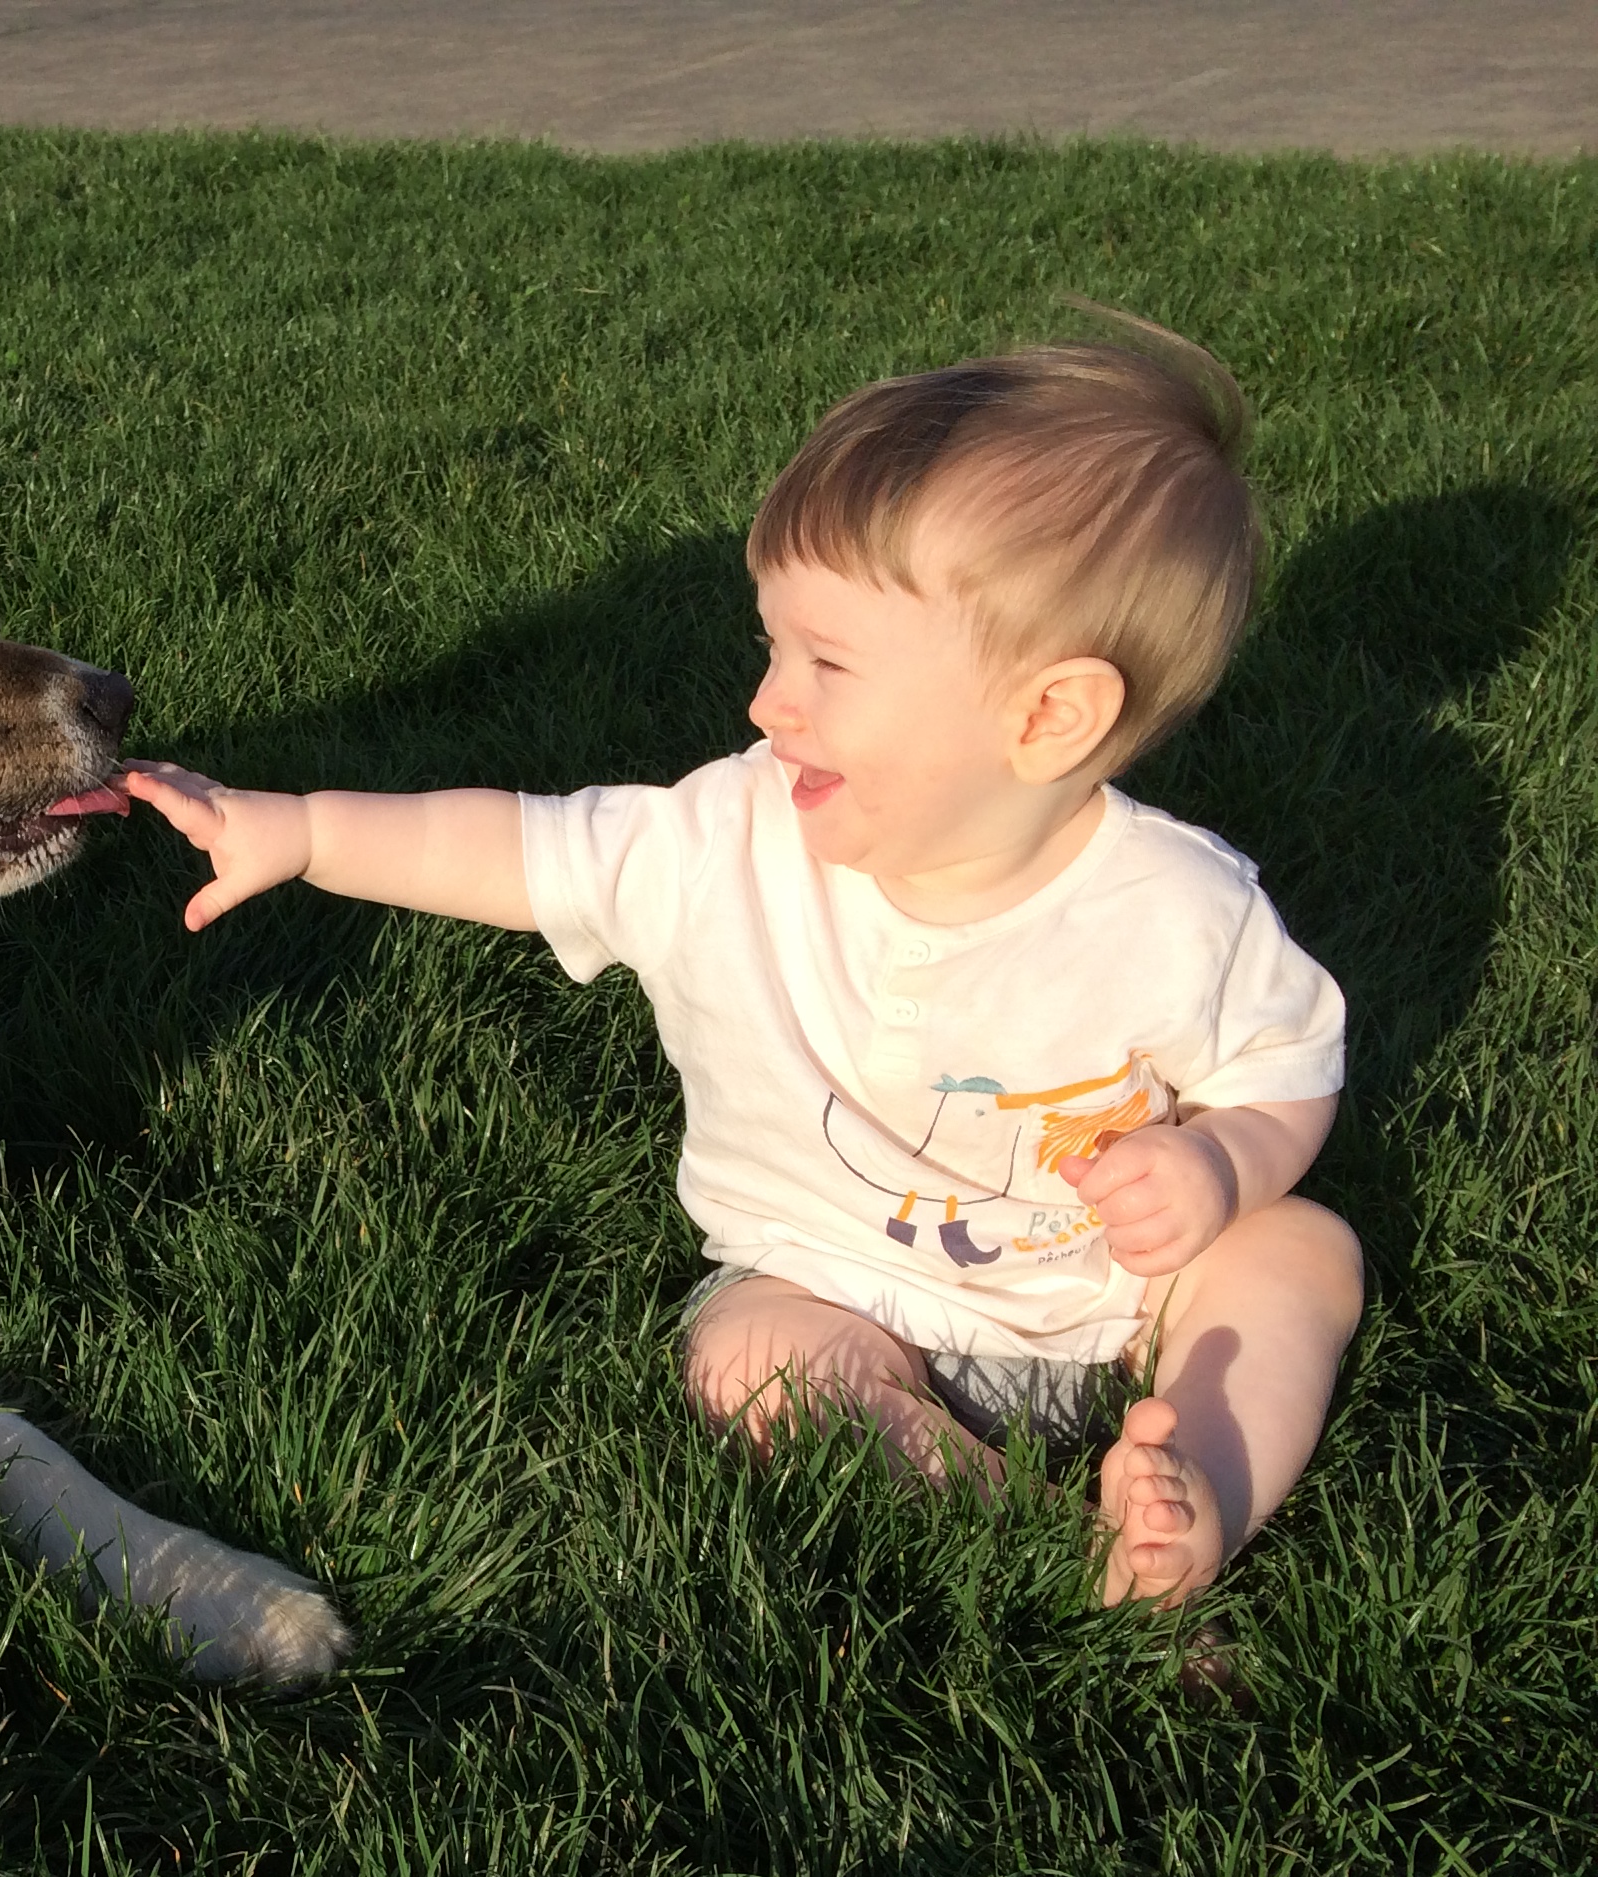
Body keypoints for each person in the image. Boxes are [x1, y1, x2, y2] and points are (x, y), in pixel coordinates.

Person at [129, 324, 1362, 1606]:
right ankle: (1044, 1535)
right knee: (747, 1357)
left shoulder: (1176, 907)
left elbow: (1286, 1071)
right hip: (837, 1286)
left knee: (1297, 1255)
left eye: (828, 663)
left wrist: (1224, 1164)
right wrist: (306, 832)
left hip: (1113, 1294)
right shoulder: (728, 834)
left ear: (1047, 716)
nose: (769, 703)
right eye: (775, 647)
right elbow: (521, 848)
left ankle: (1195, 1481)